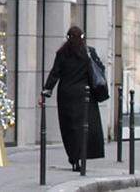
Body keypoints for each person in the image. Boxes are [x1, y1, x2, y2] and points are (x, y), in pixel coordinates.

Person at [43, 26, 106, 173]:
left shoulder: (62, 53)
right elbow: (98, 70)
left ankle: (74, 159)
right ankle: (83, 157)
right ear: (83, 38)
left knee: (69, 128)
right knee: (84, 128)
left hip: (66, 94)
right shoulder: (88, 52)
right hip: (84, 95)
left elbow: (55, 73)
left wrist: (47, 90)